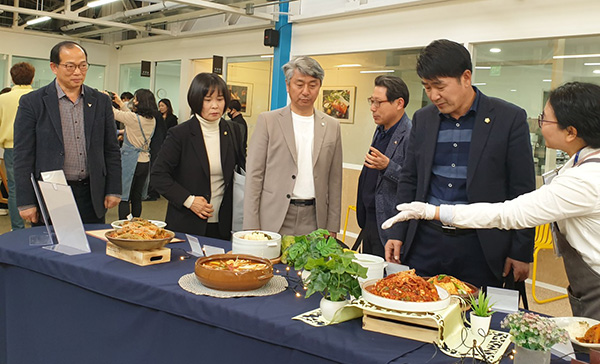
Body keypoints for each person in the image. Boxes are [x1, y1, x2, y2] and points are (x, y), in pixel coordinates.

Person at [383, 82, 600, 320]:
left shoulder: (584, 180)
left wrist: (432, 211)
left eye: (545, 119)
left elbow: (508, 213)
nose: (540, 126)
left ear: (571, 132)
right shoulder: (580, 165)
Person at [384, 39, 536, 289]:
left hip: (481, 245)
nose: (433, 95)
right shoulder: (424, 119)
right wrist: (398, 233)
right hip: (426, 240)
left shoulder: (508, 119)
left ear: (466, 77)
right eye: (427, 87)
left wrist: (521, 251)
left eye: (439, 86)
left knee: (477, 320)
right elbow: (410, 178)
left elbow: (522, 191)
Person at [14, 41, 121, 224]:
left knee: (92, 247)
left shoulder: (100, 101)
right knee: (51, 249)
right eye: (70, 66)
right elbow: (23, 155)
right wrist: (26, 201)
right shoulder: (32, 102)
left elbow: (111, 149)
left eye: (83, 65)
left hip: (91, 192)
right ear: (54, 67)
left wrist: (114, 188)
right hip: (52, 192)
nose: (78, 72)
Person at [243, 56, 343, 236]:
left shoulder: (332, 126)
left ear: (319, 87)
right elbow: (254, 175)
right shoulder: (268, 121)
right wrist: (251, 225)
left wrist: (333, 227)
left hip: (315, 218)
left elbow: (335, 181)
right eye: (299, 84)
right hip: (274, 216)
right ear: (288, 85)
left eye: (312, 85)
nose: (306, 91)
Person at [151, 73, 244, 238]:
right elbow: (158, 176)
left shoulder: (233, 130)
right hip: (187, 221)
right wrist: (189, 200)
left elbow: (240, 171)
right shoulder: (180, 134)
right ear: (196, 100)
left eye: (220, 99)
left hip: (223, 223)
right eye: (208, 100)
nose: (215, 106)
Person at [355, 75, 412, 257]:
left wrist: (388, 166)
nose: (373, 108)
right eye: (372, 101)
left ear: (399, 103)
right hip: (370, 221)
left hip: (390, 226)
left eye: (378, 102)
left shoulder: (411, 134)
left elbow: (414, 182)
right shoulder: (381, 130)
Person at [109, 89, 157, 220]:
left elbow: (114, 113)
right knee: (136, 196)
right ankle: (136, 223)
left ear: (140, 102)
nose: (133, 102)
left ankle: (124, 225)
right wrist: (119, 102)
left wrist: (105, 100)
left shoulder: (133, 119)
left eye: (135, 99)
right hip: (145, 162)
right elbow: (130, 116)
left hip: (131, 161)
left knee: (124, 197)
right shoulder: (152, 120)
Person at [0, 62, 35, 230]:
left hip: (11, 148)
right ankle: (38, 225)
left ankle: (17, 229)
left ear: (12, 78)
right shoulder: (39, 97)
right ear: (32, 77)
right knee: (38, 186)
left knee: (14, 188)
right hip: (36, 147)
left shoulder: (2, 99)